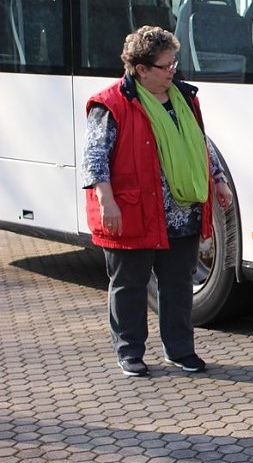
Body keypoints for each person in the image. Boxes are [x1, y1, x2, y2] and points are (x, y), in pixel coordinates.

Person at [80, 26, 233, 377]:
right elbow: (95, 157)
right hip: (133, 211)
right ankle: (130, 351)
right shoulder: (111, 104)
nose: (172, 71)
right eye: (165, 66)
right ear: (141, 69)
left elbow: (200, 143)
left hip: (182, 214)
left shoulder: (184, 98)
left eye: (174, 63)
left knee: (178, 285)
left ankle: (179, 350)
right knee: (129, 286)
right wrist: (106, 201)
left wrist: (218, 180)